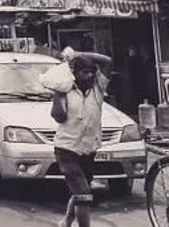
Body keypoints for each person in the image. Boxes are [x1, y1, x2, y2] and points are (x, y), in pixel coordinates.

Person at [52, 52, 113, 227]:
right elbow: (58, 117)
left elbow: (107, 61)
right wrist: (58, 96)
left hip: (89, 148)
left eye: (92, 72)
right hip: (66, 149)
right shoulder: (65, 89)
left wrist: (77, 54)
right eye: (85, 72)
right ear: (75, 74)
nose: (90, 76)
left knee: (81, 192)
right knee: (84, 195)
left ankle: (67, 221)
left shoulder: (98, 88)